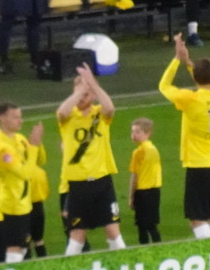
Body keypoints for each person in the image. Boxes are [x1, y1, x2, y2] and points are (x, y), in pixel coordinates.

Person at [159, 34, 210, 239]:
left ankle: (209, 255)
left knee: (197, 217)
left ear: (195, 78)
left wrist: (177, 59)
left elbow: (164, 86)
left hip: (199, 165)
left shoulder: (189, 99)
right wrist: (190, 63)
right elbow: (205, 80)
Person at [56, 62, 126, 253]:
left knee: (113, 231)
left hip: (102, 181)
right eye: (78, 94)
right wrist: (80, 90)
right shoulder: (69, 117)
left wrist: (92, 85)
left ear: (94, 95)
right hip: (78, 184)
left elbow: (110, 108)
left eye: (86, 95)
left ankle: (123, 268)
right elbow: (61, 112)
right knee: (77, 236)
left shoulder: (100, 115)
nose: (81, 98)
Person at [0, 101, 43, 263]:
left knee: (23, 247)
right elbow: (24, 174)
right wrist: (34, 147)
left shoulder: (20, 139)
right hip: (13, 205)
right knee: (15, 248)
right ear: (2, 119)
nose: (20, 121)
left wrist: (37, 144)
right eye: (15, 117)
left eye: (20, 117)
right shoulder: (2, 148)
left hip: (24, 203)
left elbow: (40, 160)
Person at [128, 117, 162, 244]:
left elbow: (135, 176)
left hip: (142, 192)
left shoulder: (138, 152)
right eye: (133, 132)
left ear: (147, 133)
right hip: (155, 191)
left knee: (142, 227)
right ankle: (159, 248)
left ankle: (144, 251)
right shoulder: (154, 149)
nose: (134, 135)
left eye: (137, 132)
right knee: (152, 225)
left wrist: (131, 197)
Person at [28, 143, 50, 258]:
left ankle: (26, 266)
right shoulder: (41, 173)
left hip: (25, 208)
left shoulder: (25, 173)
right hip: (39, 207)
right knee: (39, 240)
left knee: (25, 240)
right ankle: (44, 261)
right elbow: (46, 191)